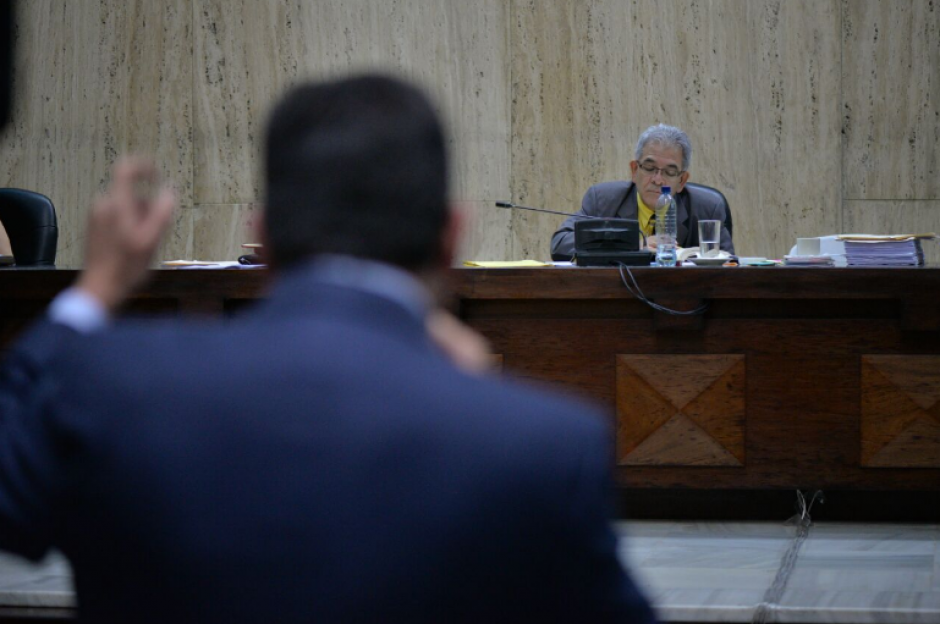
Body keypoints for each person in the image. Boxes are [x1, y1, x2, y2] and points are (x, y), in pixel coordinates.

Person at [0, 75, 655, 624]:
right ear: (451, 236)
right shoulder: (541, 443)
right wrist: (478, 405)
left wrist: (94, 293)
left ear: (262, 238)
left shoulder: (115, 390)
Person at [551, 123, 734, 259]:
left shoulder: (706, 208)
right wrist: (634, 245)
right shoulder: (603, 200)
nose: (657, 179)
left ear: (682, 180)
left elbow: (730, 264)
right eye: (649, 168)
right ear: (634, 170)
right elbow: (560, 243)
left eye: (669, 172)